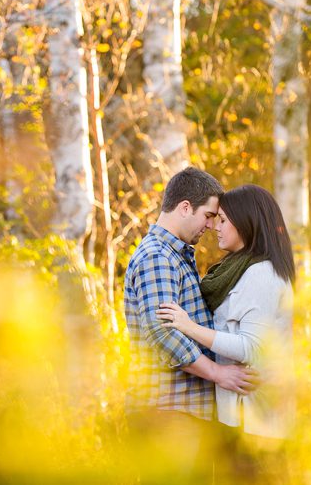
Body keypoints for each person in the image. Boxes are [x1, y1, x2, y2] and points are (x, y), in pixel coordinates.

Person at [123, 167, 259, 482]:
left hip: (182, 414)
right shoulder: (158, 257)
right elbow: (162, 332)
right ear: (185, 207)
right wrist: (218, 373)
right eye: (209, 216)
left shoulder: (177, 256)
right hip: (167, 415)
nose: (211, 226)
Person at [156, 184, 296, 480]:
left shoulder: (262, 275)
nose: (214, 227)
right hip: (237, 420)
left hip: (257, 424)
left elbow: (251, 347)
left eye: (222, 220)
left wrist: (188, 326)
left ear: (246, 222)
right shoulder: (238, 270)